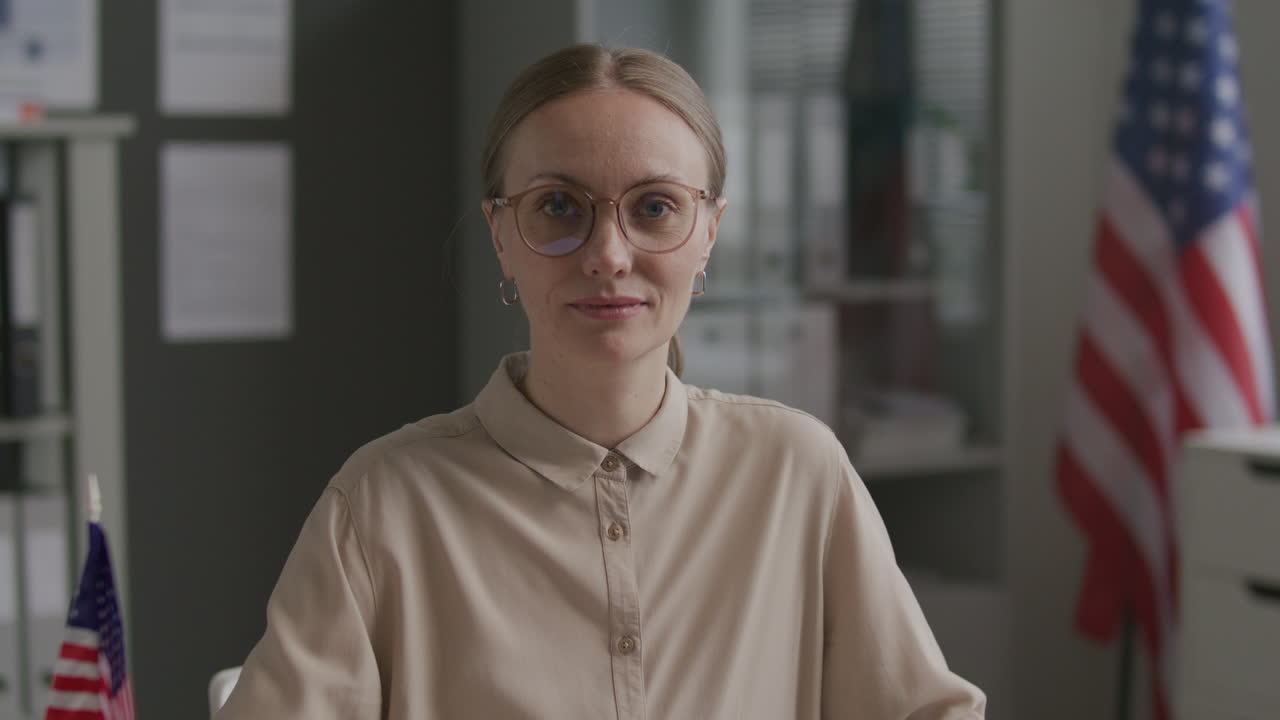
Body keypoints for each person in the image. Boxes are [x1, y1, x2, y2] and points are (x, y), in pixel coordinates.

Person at [216, 44, 986, 720]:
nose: (610, 254)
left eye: (655, 207)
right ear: (502, 237)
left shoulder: (798, 470)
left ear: (709, 232)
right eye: (558, 206)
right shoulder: (383, 505)